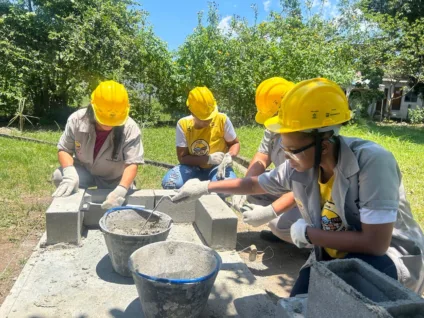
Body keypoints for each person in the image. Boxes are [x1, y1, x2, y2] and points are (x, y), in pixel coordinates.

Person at [170, 78, 424, 295]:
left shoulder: (372, 163)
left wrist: (309, 234)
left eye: (291, 151)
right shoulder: (304, 163)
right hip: (335, 252)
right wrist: (206, 187)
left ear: (323, 145)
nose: (286, 158)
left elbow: (375, 243)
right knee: (299, 301)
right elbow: (255, 183)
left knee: (341, 298)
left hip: (387, 258)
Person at [52, 80, 144, 209]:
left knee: (122, 200)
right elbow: (64, 149)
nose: (109, 124)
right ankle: (74, 206)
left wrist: (121, 190)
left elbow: (132, 163)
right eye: (104, 118)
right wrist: (69, 173)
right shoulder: (76, 120)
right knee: (59, 176)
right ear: (92, 106)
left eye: (113, 120)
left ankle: (116, 192)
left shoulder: (130, 127)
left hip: (114, 177)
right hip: (85, 171)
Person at [232, 77, 302, 244]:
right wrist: (244, 186)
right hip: (287, 184)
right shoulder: (273, 128)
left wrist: (270, 212)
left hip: (306, 196)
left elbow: (307, 186)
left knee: (279, 225)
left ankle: (314, 247)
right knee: (253, 194)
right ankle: (285, 230)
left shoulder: (304, 134)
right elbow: (261, 158)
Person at [161, 86, 240, 189]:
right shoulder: (183, 124)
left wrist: (229, 155)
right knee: (171, 184)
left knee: (225, 188)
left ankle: (213, 187)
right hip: (192, 167)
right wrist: (208, 159)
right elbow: (182, 158)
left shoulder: (222, 120)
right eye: (204, 118)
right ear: (192, 113)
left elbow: (234, 143)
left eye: (211, 117)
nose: (209, 121)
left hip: (218, 167)